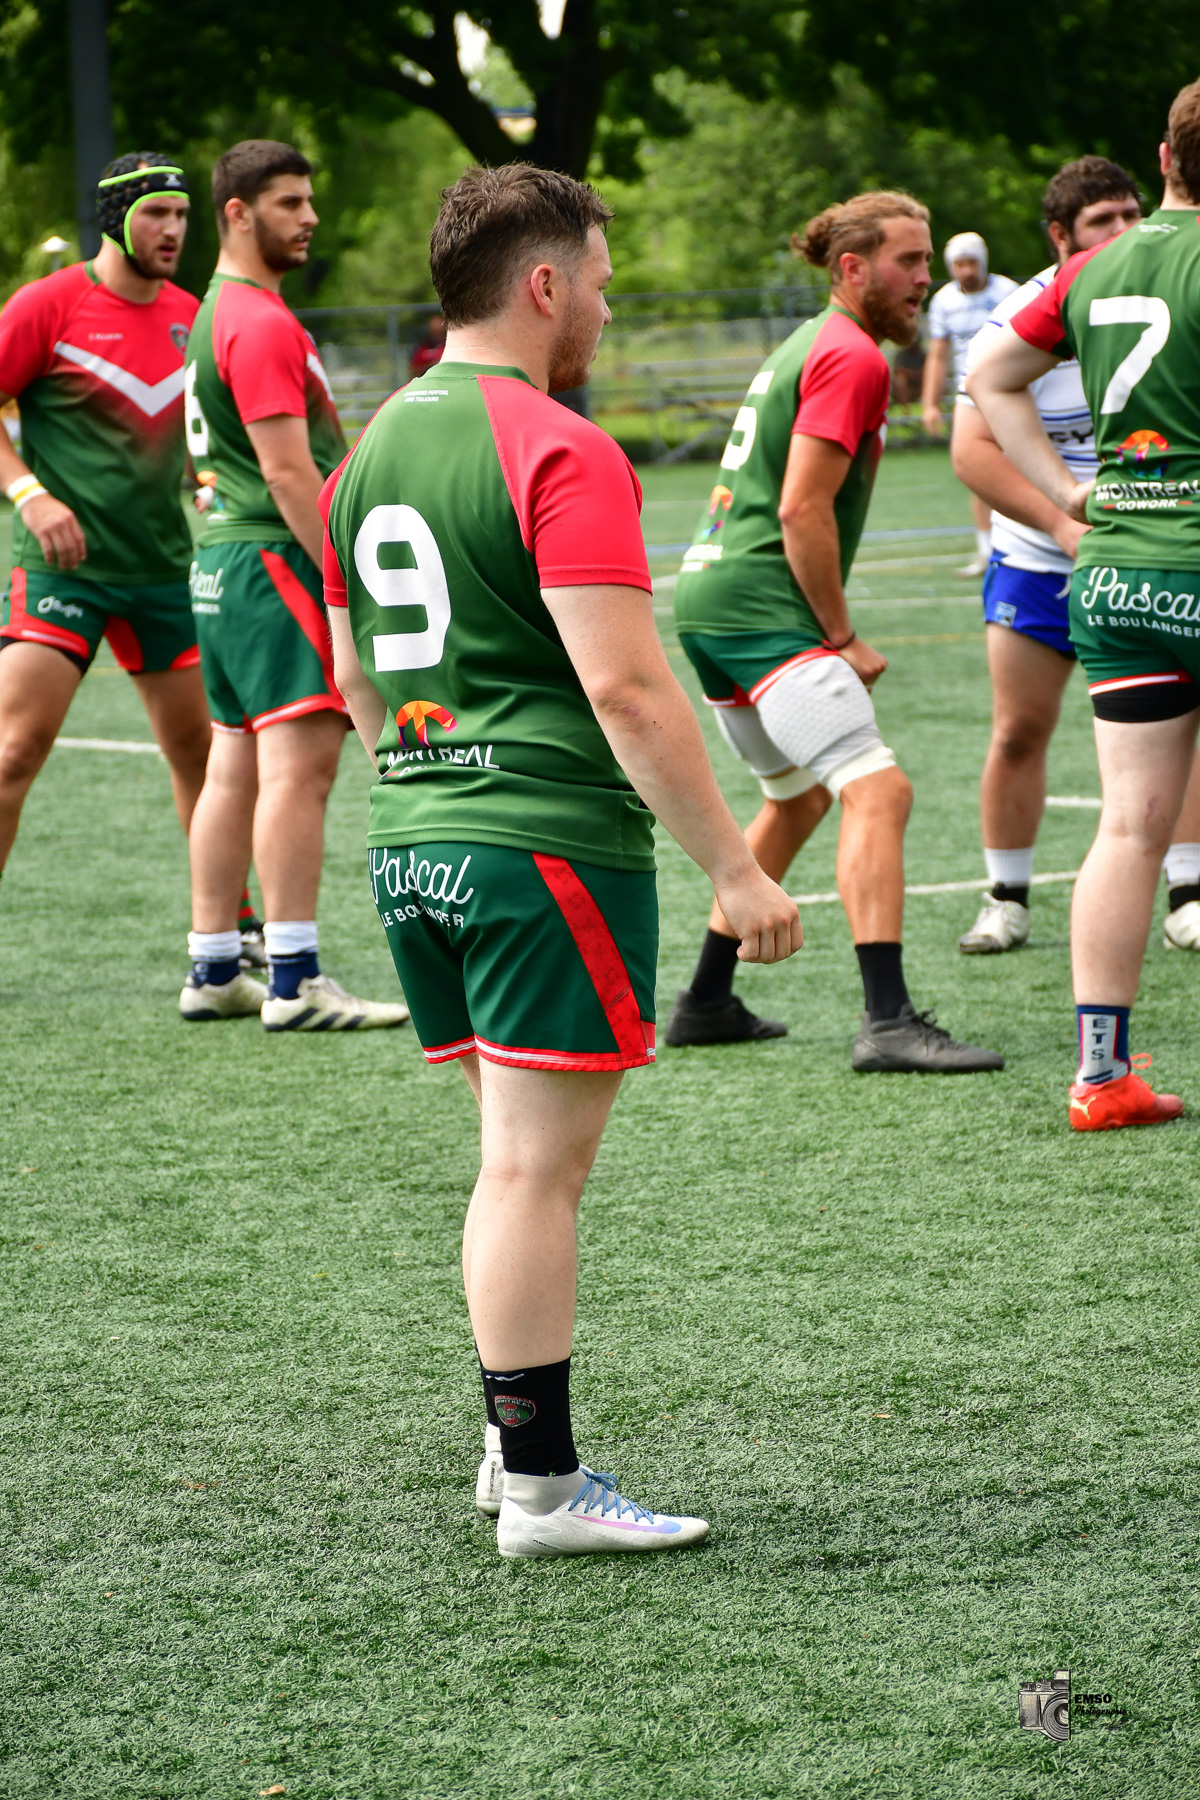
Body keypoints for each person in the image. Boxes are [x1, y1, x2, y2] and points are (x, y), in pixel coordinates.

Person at [322, 163, 802, 1557]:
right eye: (596, 278)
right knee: (535, 1171)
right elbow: (630, 692)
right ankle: (541, 1486)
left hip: (418, 840)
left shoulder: (366, 452)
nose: (602, 303)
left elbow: (353, 671)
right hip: (542, 848)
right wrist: (737, 868)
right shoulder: (555, 443)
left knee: (508, 1160)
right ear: (542, 285)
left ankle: (506, 1449)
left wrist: (419, 787)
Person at [667, 192, 1003, 1074]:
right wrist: (843, 635)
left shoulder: (812, 341)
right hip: (755, 606)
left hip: (710, 598)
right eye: (908, 263)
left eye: (928, 262)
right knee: (878, 792)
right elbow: (802, 507)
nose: (924, 281)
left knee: (798, 798)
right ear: (852, 269)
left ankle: (704, 999)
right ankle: (888, 1022)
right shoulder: (849, 355)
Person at [966, 77, 1200, 1131]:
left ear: (1163, 160)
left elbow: (989, 370)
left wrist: (1067, 494)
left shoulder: (1096, 268)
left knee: (1127, 827)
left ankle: (1101, 1076)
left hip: (1117, 574)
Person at [181, 139, 408, 1030]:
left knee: (232, 764)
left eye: (309, 200)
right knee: (299, 770)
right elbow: (287, 473)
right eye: (287, 202)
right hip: (272, 556)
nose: (309, 216)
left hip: (224, 562)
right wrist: (348, 577)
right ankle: (294, 980)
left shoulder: (214, 310)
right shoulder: (262, 319)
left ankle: (213, 967)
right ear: (237, 212)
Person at [0, 154, 212, 908]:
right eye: (157, 213)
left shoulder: (195, 315)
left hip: (164, 570)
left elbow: (194, 438)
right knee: (12, 753)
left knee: (201, 757)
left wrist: (208, 480)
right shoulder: (47, 305)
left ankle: (231, 938)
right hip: (63, 574)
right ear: (116, 217)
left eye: (183, 216)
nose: (173, 229)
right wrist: (29, 494)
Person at [952, 158, 1144, 953]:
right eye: (1104, 221)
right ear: (1061, 237)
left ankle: (1188, 891)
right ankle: (1006, 897)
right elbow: (972, 451)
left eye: (1134, 215)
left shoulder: (1166, 297)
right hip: (1041, 551)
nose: (1124, 234)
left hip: (1147, 549)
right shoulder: (1020, 318)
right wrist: (1064, 524)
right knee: (1020, 730)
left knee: (1168, 722)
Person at [922, 232, 1017, 577]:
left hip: (1011, 391)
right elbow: (938, 353)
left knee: (1020, 466)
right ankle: (986, 550)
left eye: (971, 262)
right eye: (958, 264)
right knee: (981, 473)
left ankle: (1026, 540)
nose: (965, 270)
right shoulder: (943, 301)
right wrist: (930, 403)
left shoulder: (1007, 293)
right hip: (968, 398)